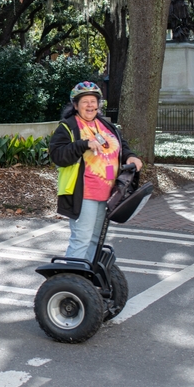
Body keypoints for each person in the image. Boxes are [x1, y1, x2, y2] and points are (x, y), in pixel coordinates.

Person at [49, 81, 143, 261]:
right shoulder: (69, 126)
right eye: (85, 101)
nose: (90, 105)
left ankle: (86, 282)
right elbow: (57, 155)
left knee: (95, 240)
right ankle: (72, 281)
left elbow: (120, 146)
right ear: (76, 105)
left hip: (107, 192)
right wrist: (83, 144)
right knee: (82, 239)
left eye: (93, 101)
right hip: (84, 193)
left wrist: (130, 156)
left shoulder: (105, 125)